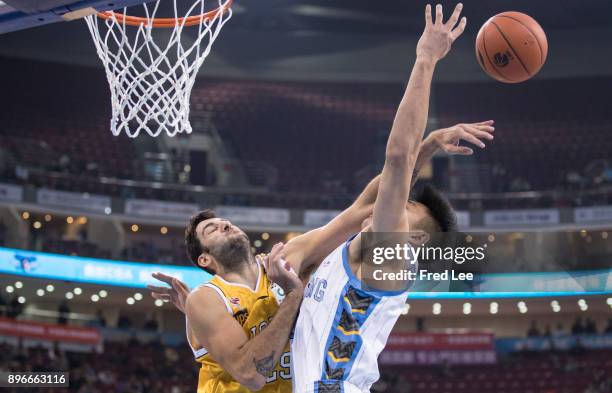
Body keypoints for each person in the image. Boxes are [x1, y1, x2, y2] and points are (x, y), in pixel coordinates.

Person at [149, 5, 486, 392]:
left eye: (221, 220)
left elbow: (385, 180)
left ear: (416, 236)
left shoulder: (305, 259)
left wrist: (423, 129)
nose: (224, 223)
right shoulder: (217, 295)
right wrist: (425, 145)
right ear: (204, 260)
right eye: (211, 229)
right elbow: (248, 373)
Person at [290, 5, 466, 391]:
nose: (391, 202)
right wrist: (432, 144)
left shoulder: (393, 257)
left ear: (415, 239)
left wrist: (426, 58)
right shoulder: (356, 246)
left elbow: (397, 159)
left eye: (403, 207)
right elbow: (394, 175)